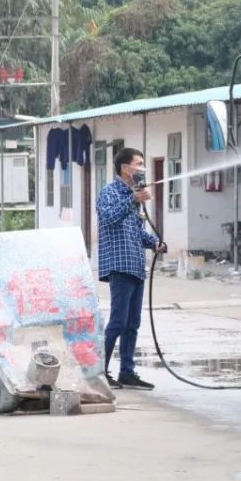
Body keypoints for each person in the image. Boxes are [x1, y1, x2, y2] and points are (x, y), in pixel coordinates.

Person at [97, 147, 167, 389]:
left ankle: (127, 371)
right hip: (119, 265)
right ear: (126, 169)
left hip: (136, 265)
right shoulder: (110, 193)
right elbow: (108, 218)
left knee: (132, 323)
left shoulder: (131, 195)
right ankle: (100, 372)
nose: (142, 168)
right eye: (139, 164)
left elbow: (135, 231)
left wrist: (155, 243)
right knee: (118, 321)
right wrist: (132, 200)